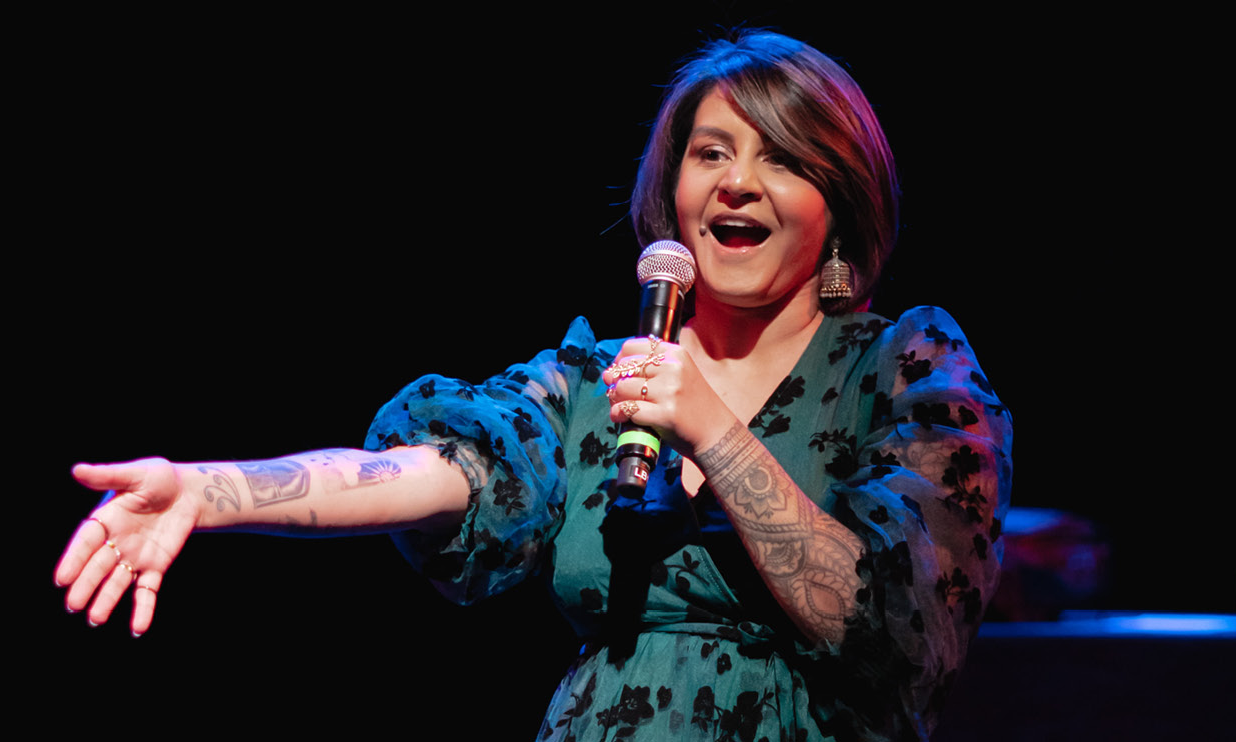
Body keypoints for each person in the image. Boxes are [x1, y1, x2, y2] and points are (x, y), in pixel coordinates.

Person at [54, 30, 1011, 741]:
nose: (736, 184)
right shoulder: (596, 380)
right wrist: (209, 491)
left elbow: (899, 626)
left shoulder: (901, 371)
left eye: (783, 159)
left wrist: (714, 430)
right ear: (671, 188)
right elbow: (429, 471)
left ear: (840, 203)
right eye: (711, 152)